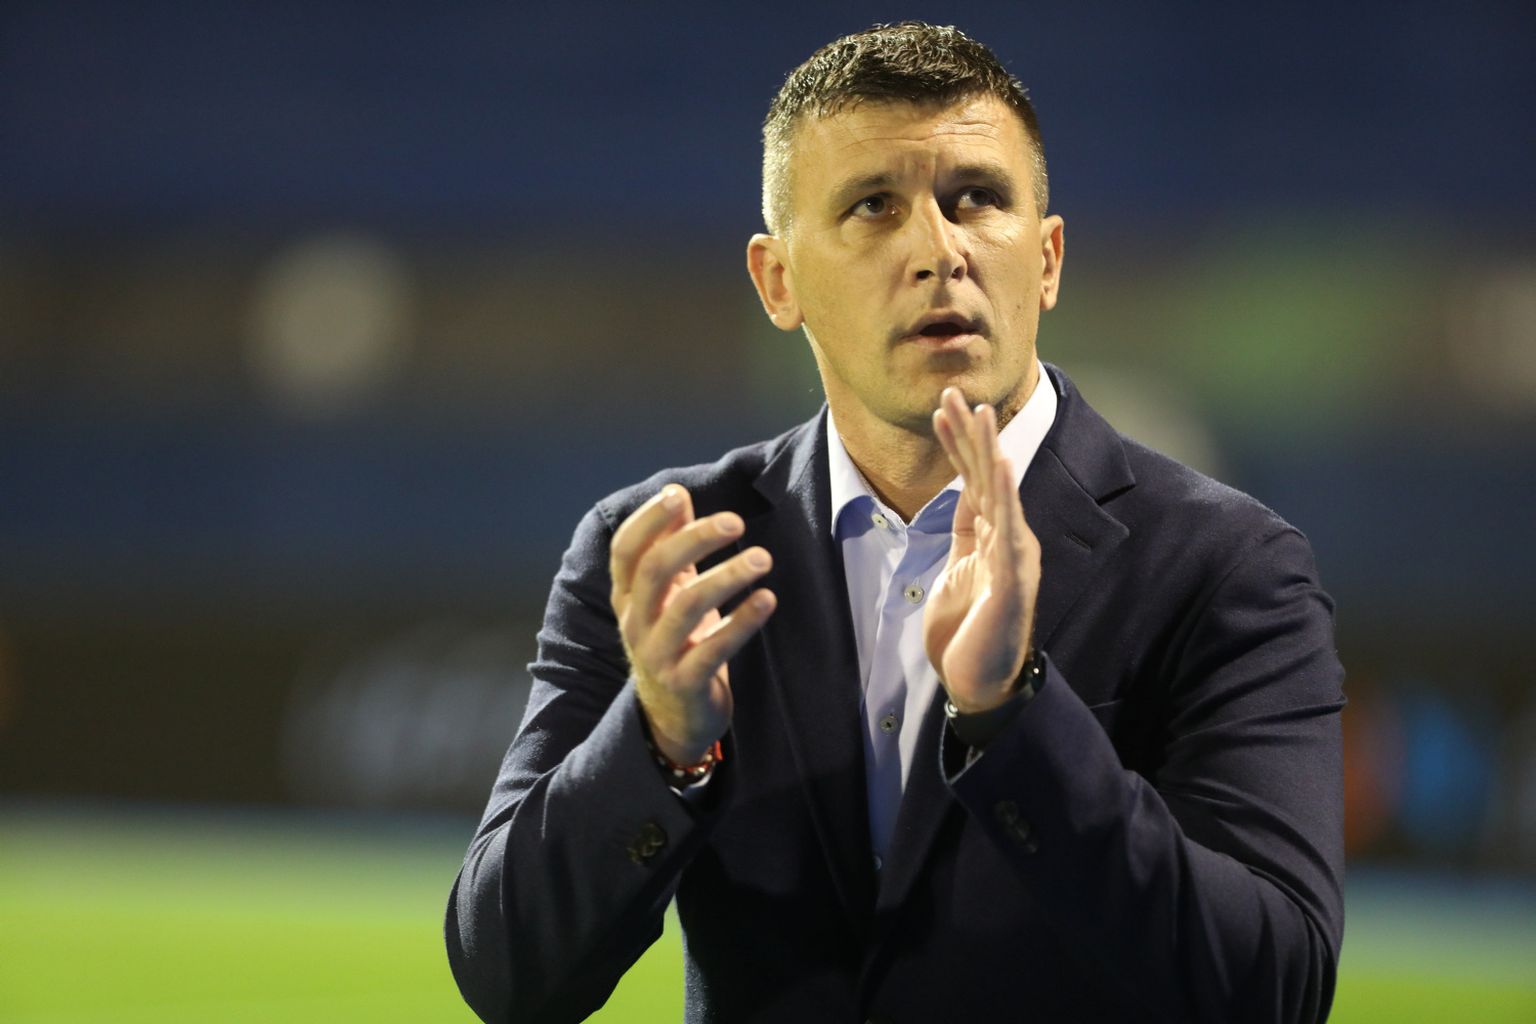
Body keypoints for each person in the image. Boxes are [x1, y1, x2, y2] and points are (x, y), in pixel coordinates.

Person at [447, 21, 1344, 1024]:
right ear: (778, 281)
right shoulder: (670, 553)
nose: (938, 250)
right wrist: (659, 743)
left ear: (1047, 259)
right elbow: (509, 979)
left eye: (978, 198)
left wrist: (1013, 716)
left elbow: (1275, 988)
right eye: (873, 206)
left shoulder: (1229, 567)